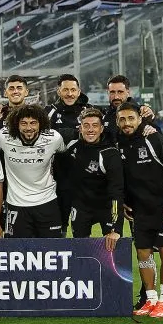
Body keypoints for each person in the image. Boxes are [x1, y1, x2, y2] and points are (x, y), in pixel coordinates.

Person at [116, 102, 163, 319]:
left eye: (131, 118)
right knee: (143, 254)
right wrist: (123, 201)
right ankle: (151, 300)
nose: (127, 123)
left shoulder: (156, 139)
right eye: (122, 119)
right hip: (139, 210)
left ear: (139, 119)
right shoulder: (118, 144)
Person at [0, 104, 70, 238]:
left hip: (47, 203)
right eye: (24, 123)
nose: (28, 128)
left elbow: (63, 156)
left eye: (33, 123)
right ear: (16, 124)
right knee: (17, 249)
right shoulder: (3, 136)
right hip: (16, 205)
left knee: (52, 248)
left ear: (41, 124)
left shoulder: (54, 138)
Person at [65, 108, 125, 249]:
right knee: (80, 250)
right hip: (81, 207)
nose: (90, 130)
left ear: (101, 129)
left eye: (95, 125)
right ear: (80, 128)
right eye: (86, 126)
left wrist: (116, 228)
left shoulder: (110, 154)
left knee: (113, 248)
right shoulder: (72, 147)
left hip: (106, 207)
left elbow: (117, 191)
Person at [46, 74, 92, 234]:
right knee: (60, 226)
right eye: (65, 90)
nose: (70, 94)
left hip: (85, 179)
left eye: (73, 90)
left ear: (79, 91)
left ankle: (86, 250)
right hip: (57, 179)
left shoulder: (90, 111)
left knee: (82, 226)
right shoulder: (48, 112)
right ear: (59, 91)